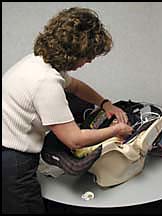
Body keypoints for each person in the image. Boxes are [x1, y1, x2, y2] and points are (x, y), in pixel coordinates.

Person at [2, 7, 133, 214]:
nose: (89, 61)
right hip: (13, 159)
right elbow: (75, 140)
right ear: (74, 53)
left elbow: (76, 87)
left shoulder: (38, 62)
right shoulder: (45, 82)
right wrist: (116, 131)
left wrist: (105, 103)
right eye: (88, 56)